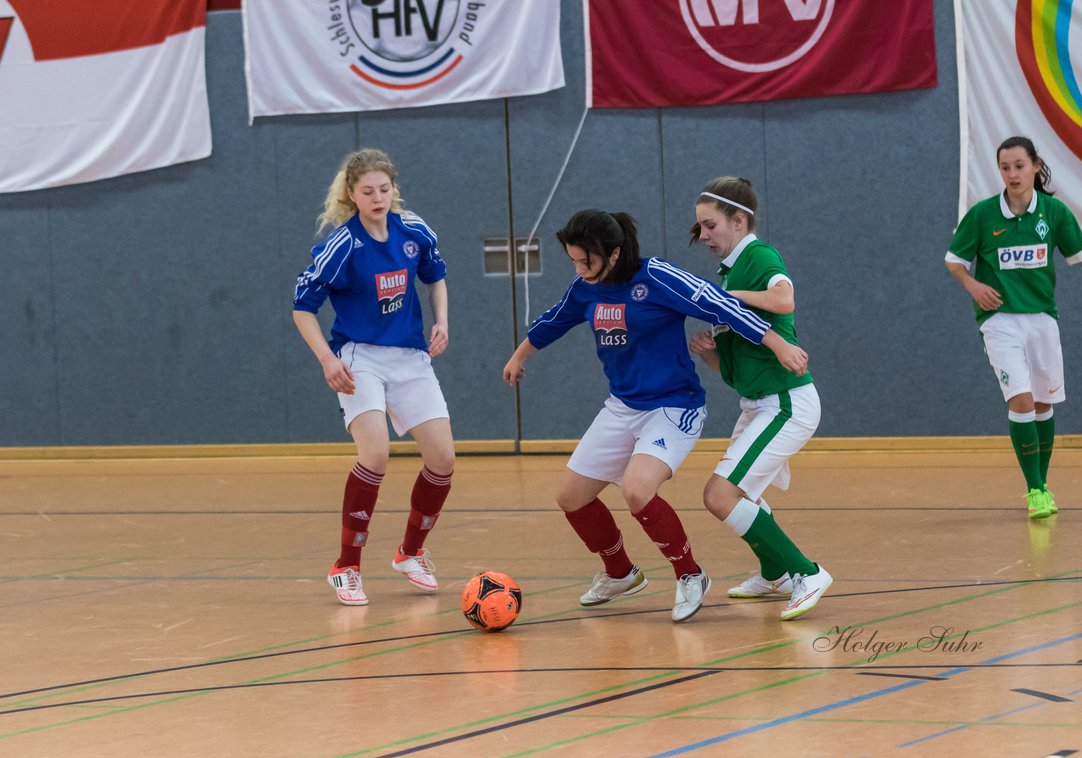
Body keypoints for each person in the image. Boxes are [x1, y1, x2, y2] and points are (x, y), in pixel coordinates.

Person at [503, 209, 808, 622]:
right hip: (623, 405)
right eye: (573, 260)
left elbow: (719, 304)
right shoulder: (586, 287)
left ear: (613, 253)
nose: (578, 269)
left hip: (673, 405)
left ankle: (690, 575)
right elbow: (554, 321)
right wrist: (520, 356)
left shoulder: (658, 277)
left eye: (585, 260)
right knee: (571, 498)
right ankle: (620, 573)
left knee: (636, 489)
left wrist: (776, 342)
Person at [945, 136, 1082, 519]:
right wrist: (973, 284)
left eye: (1019, 165)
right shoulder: (984, 214)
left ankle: (1044, 484)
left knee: (1042, 403)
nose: (1013, 174)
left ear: (1035, 166)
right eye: (1005, 167)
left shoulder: (1053, 213)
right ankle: (1034, 490)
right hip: (1000, 321)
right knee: (1020, 400)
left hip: (1042, 320)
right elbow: (954, 260)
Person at [293, 148, 456, 605]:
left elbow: (436, 276)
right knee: (377, 455)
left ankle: (411, 552)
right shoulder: (342, 245)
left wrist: (440, 320)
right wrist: (328, 359)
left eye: (384, 189)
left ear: (393, 190)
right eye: (367, 191)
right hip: (359, 355)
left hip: (408, 355)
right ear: (352, 194)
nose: (377, 197)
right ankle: (346, 565)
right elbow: (302, 309)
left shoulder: (414, 231)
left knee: (443, 459)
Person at [687, 177, 832, 621]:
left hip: (786, 403)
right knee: (741, 495)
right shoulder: (728, 271)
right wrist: (712, 356)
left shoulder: (758, 256)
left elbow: (783, 299)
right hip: (755, 403)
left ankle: (807, 572)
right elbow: (738, 366)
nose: (704, 235)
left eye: (710, 225)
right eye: (700, 228)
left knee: (719, 496)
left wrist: (726, 299)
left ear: (739, 219)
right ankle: (775, 573)